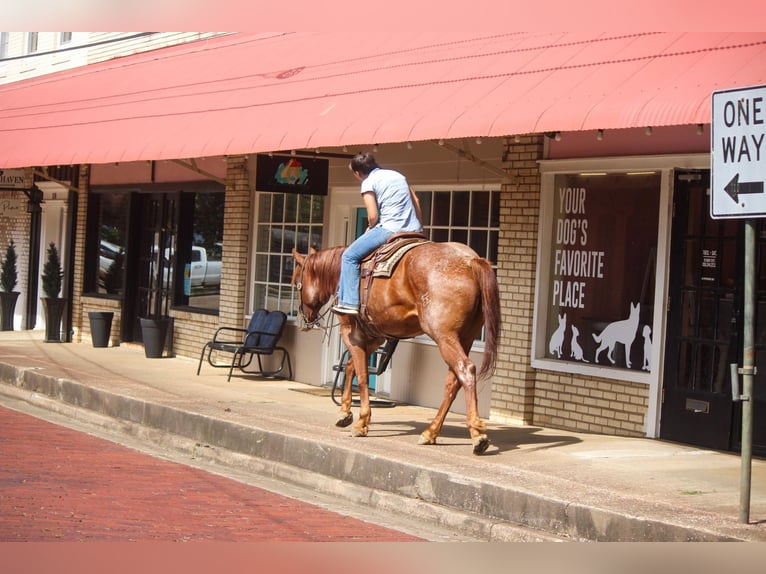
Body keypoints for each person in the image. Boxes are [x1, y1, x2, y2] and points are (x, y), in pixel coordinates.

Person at [333, 152, 423, 315]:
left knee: (349, 256)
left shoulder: (368, 182)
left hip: (390, 229)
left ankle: (349, 303)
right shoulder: (398, 175)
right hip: (414, 230)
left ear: (357, 173)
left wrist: (370, 227)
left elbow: (373, 215)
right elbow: (416, 202)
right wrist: (418, 227)